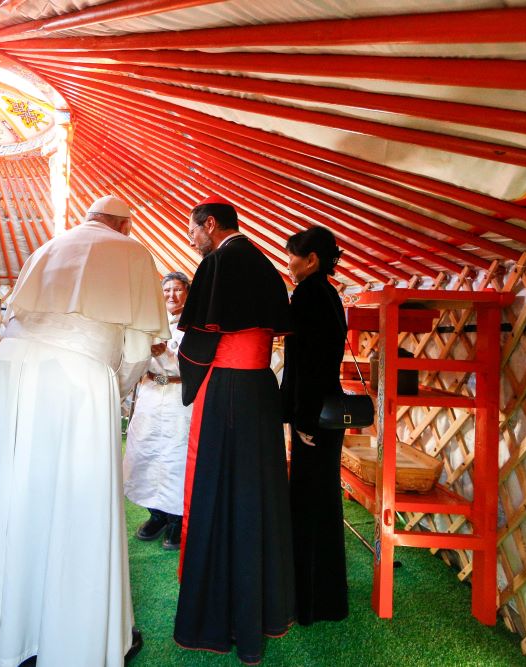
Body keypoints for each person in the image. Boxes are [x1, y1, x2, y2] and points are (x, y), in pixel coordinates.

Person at [0, 195, 169, 667]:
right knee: (74, 498)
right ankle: (72, 638)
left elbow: (18, 318)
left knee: (16, 492)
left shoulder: (47, 246)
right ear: (123, 224)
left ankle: (9, 626)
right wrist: (117, 391)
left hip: (7, 371)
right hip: (76, 379)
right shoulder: (132, 252)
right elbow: (135, 351)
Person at [174, 195, 295, 665]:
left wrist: (188, 374)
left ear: (209, 224)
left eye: (192, 229)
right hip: (260, 391)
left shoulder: (219, 263)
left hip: (225, 391)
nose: (191, 238)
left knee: (218, 493)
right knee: (257, 495)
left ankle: (217, 615)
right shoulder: (265, 264)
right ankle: (264, 612)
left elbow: (199, 343)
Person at [281, 226, 349, 625]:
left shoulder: (307, 295)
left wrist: (302, 419)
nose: (288, 262)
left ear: (312, 260)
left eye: (293, 255)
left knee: (309, 505)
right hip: (325, 409)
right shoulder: (329, 293)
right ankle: (325, 599)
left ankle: (308, 603)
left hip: (315, 414)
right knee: (321, 502)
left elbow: (310, 364)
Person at [124, 271, 192, 550]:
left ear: (187, 293)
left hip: (180, 397)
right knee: (147, 454)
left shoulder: (195, 325)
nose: (172, 296)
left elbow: (190, 365)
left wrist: (164, 353)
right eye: (166, 291)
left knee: (175, 457)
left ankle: (177, 519)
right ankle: (157, 515)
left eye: (177, 290)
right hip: (152, 394)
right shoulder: (150, 323)